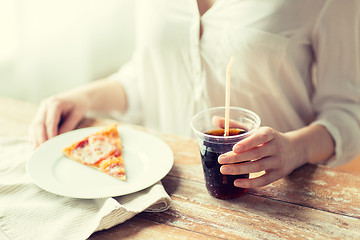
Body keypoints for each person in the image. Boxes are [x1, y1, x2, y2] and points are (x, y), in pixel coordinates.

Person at [29, 0, 360, 188]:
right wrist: (81, 99)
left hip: (269, 196)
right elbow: (152, 78)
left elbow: (349, 110)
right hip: (157, 188)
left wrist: (294, 150)